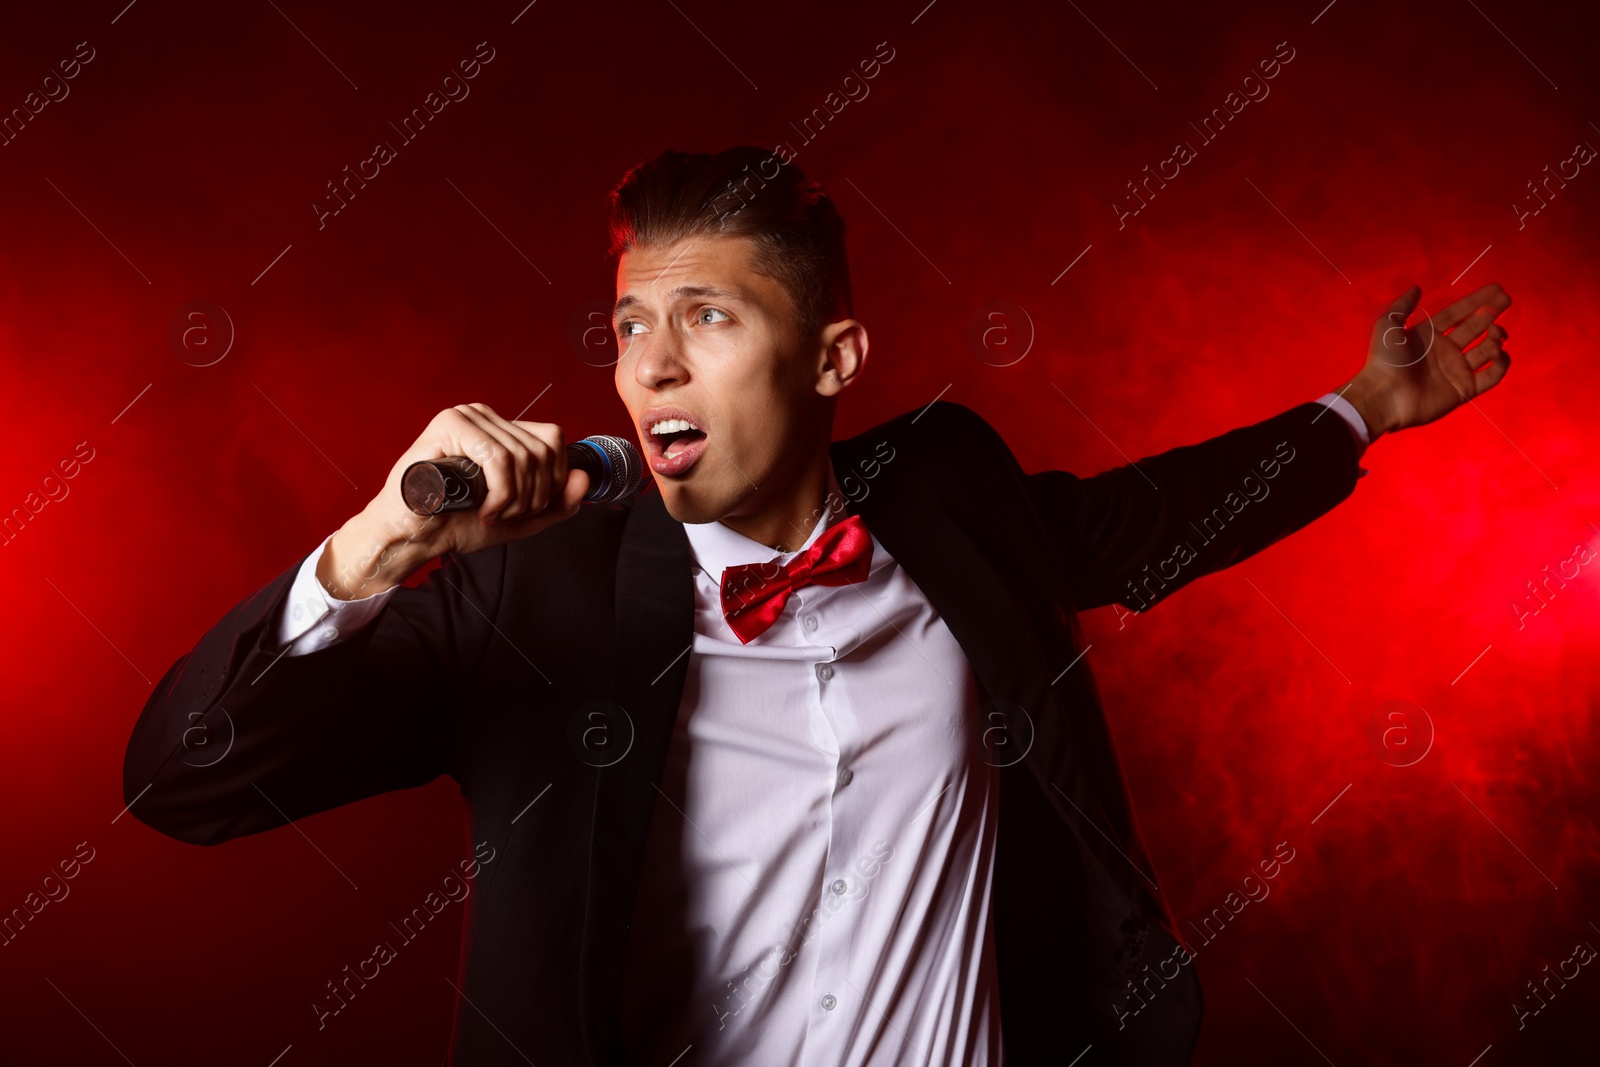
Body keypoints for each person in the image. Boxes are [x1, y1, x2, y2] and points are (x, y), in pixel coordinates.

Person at [122, 145, 1512, 1066]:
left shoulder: (948, 490)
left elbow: (1143, 524)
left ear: (836, 355)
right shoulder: (531, 596)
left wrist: (1370, 407)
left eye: (709, 320)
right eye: (629, 328)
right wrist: (374, 547)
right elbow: (184, 782)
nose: (653, 366)